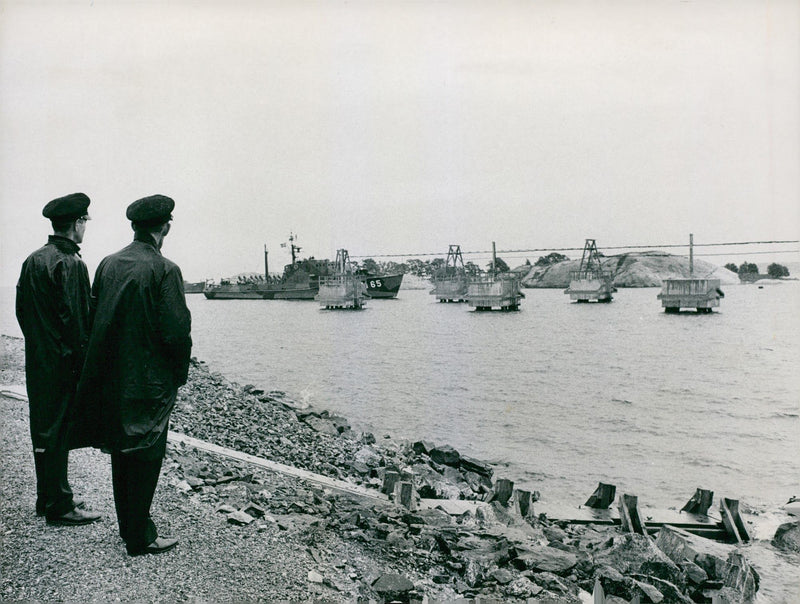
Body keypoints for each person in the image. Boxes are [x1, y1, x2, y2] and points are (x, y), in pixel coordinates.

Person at [78, 194, 191, 556]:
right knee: (147, 454)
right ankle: (140, 537)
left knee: (121, 452)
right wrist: (179, 374)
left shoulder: (108, 264)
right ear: (166, 227)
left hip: (114, 378)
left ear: (134, 226)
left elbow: (94, 319)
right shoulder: (165, 270)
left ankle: (130, 527)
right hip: (150, 381)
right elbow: (176, 332)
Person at [15, 192, 102, 525]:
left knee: (43, 430)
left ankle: (46, 497)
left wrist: (39, 344)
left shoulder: (32, 260)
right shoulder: (72, 264)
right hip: (64, 364)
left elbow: (22, 311)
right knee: (59, 432)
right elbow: (78, 322)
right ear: (77, 224)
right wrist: (83, 366)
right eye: (85, 222)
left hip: (38, 359)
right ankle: (60, 505)